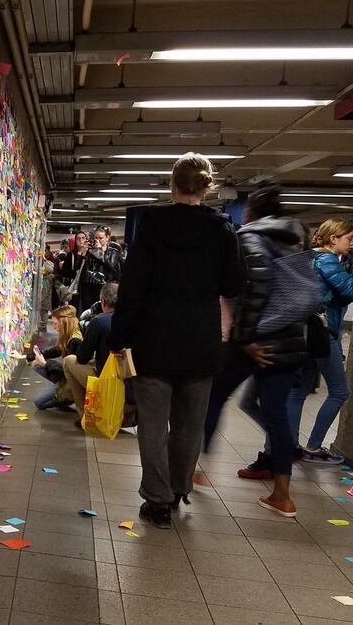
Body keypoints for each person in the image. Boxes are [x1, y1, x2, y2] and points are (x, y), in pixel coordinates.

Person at [106, 153, 245, 529]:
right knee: (189, 425)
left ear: (172, 184)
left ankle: (157, 500)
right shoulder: (222, 230)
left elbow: (132, 287)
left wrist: (120, 336)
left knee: (153, 426)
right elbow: (234, 285)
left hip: (153, 341)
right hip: (200, 342)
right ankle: (180, 488)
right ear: (207, 186)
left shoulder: (151, 225)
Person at [202, 180, 308, 517]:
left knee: (213, 396)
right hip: (288, 337)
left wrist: (245, 339)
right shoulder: (293, 241)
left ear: (253, 209)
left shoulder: (250, 237)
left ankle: (195, 467)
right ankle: (282, 494)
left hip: (256, 338)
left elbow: (256, 289)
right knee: (277, 415)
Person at [287, 218, 353, 464]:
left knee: (298, 391)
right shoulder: (326, 260)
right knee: (339, 391)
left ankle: (290, 446)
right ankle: (314, 447)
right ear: (333, 238)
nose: (351, 244)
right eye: (348, 238)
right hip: (325, 334)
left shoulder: (308, 257)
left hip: (305, 332)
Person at [63, 282, 118, 421]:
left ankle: (87, 416)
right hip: (134, 393)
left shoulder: (99, 321)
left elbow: (82, 358)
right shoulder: (136, 320)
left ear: (103, 301)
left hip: (108, 387)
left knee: (69, 361)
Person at [28, 306, 83, 410]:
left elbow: (70, 373)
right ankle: (60, 391)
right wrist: (31, 356)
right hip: (65, 376)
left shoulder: (75, 341)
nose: (53, 327)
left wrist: (45, 363)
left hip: (70, 381)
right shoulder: (71, 334)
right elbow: (56, 350)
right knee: (37, 366)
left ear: (64, 322)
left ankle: (66, 397)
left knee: (40, 403)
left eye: (55, 323)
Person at [79, 228, 123, 314]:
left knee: (102, 312)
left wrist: (99, 251)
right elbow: (78, 268)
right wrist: (83, 253)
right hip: (87, 286)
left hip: (104, 286)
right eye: (96, 238)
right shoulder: (89, 249)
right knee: (87, 313)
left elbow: (110, 267)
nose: (97, 240)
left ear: (107, 237)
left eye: (100, 238)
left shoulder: (113, 251)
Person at [59, 232, 89, 309]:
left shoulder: (90, 254)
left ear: (86, 240)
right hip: (74, 287)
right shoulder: (71, 255)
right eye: (78, 238)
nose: (81, 240)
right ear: (75, 241)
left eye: (83, 238)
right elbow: (63, 272)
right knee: (75, 308)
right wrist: (75, 274)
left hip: (87, 287)